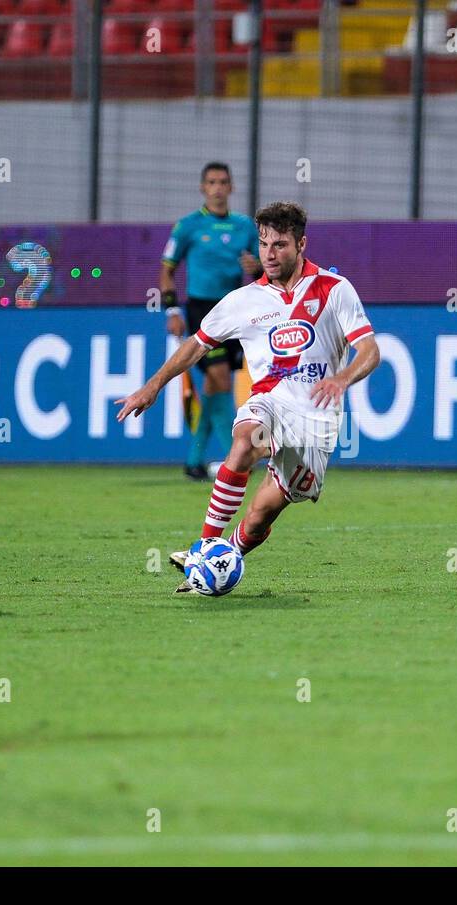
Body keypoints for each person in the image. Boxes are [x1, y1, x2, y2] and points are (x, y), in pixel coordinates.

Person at [117, 201, 381, 593]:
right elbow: (196, 345)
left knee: (258, 518)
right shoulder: (242, 301)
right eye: (263, 245)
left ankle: (225, 557)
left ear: (301, 244)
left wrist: (341, 379)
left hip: (315, 423)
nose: (269, 255)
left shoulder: (334, 290)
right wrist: (153, 385)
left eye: (280, 245)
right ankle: (205, 548)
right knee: (244, 440)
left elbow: (370, 351)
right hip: (269, 402)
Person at [159, 162, 261, 480]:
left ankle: (194, 460)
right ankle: (237, 454)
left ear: (231, 188)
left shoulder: (245, 227)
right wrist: (172, 311)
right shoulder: (188, 226)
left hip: (235, 310)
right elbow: (166, 270)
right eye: (212, 182)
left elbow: (265, 272)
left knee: (214, 386)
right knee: (219, 380)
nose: (217, 188)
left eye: (223, 182)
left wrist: (255, 268)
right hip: (202, 312)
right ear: (203, 188)